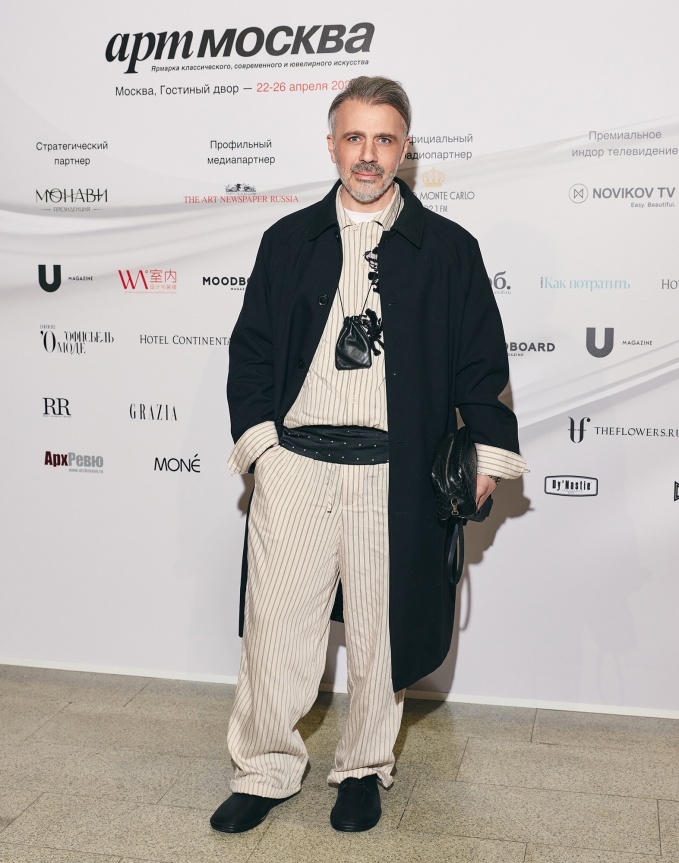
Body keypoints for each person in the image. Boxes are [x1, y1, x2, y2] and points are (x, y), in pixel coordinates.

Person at [211, 76, 526, 835]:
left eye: (384, 139)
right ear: (332, 145)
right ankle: (264, 769)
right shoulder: (288, 241)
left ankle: (362, 768)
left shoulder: (448, 250)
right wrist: (262, 451)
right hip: (296, 465)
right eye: (354, 137)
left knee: (383, 634)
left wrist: (487, 457)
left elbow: (481, 366)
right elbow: (250, 355)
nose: (367, 154)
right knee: (277, 629)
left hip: (396, 470)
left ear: (404, 149)